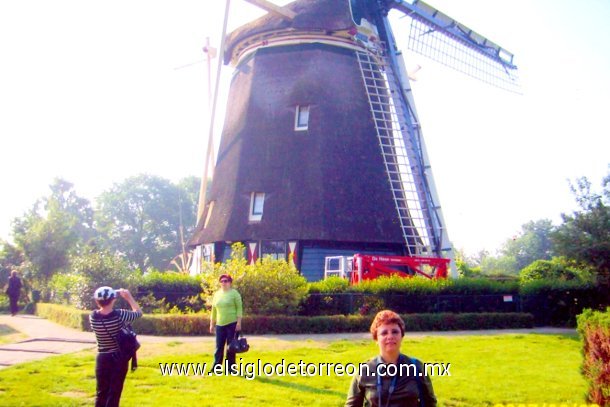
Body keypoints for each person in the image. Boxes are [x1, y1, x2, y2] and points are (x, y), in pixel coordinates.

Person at [345, 310, 437, 407]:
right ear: (376, 339)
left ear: (402, 336)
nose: (390, 336)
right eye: (384, 333)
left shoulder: (417, 367)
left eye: (395, 332)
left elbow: (430, 403)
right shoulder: (364, 370)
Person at [89, 286, 142, 407]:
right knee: (114, 393)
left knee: (101, 393)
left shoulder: (93, 317)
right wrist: (129, 297)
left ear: (97, 301)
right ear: (113, 299)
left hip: (102, 358)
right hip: (118, 358)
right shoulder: (120, 315)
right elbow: (138, 313)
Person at [209, 273, 243, 372]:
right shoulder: (217, 294)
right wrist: (212, 324)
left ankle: (231, 368)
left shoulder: (234, 294)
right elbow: (213, 310)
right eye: (222, 281)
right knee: (219, 347)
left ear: (230, 283)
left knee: (231, 347)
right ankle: (216, 367)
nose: (224, 283)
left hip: (232, 324)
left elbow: (239, 309)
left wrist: (239, 323)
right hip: (220, 325)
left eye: (226, 281)